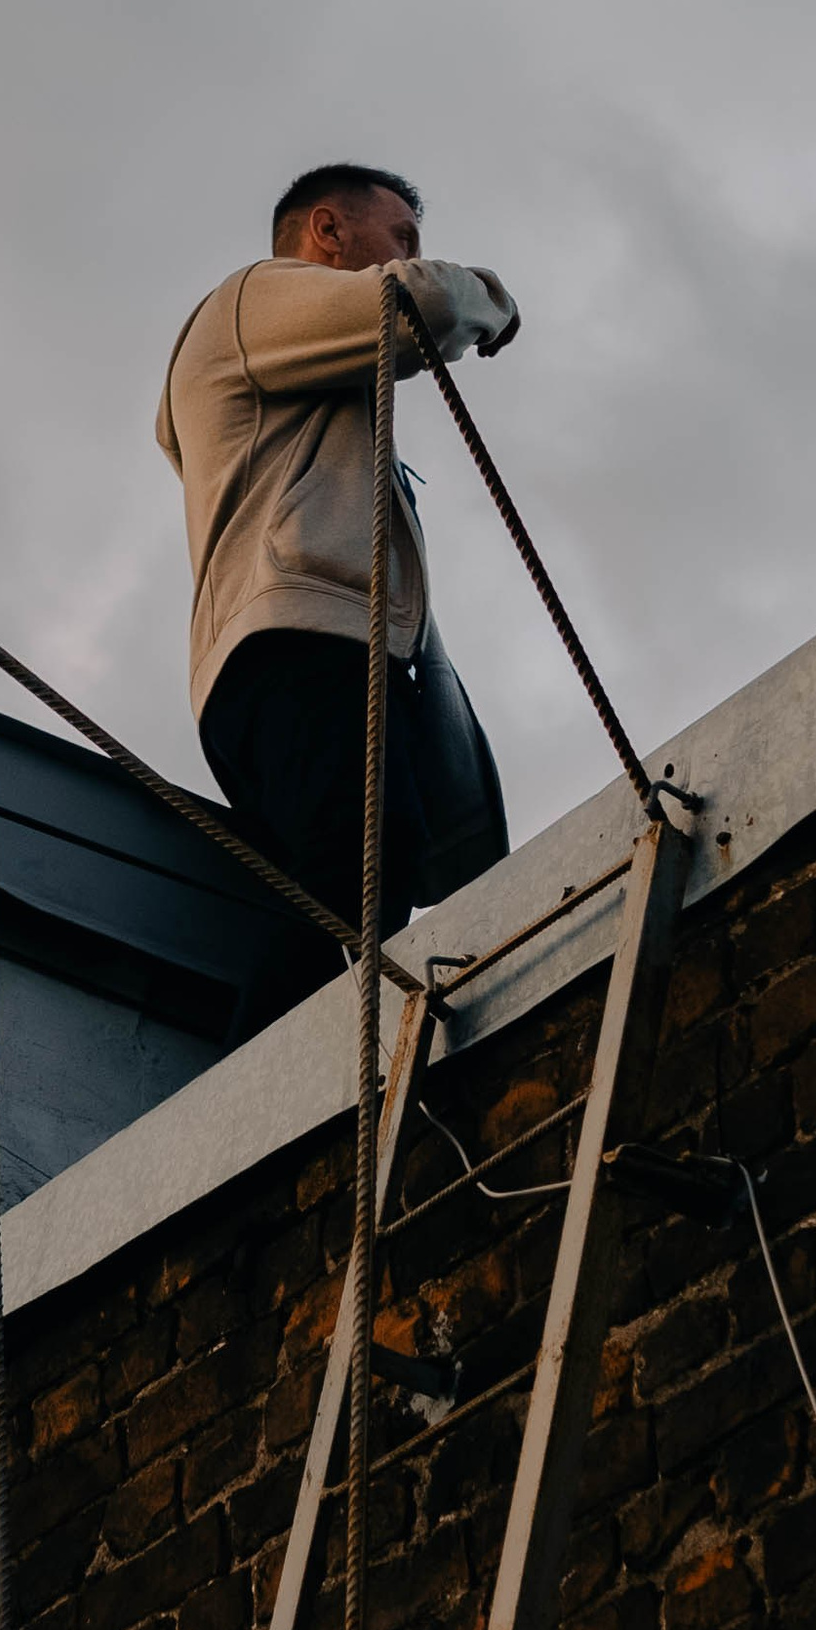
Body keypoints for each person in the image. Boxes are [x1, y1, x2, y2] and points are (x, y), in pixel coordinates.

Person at [158, 161, 520, 1032]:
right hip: (292, 643)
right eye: (401, 235)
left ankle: (295, 1099)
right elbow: (421, 306)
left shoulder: (316, 393)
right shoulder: (248, 302)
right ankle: (247, 1121)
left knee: (360, 885)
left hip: (295, 650)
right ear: (328, 231)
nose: (411, 253)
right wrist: (492, 299)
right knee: (350, 875)